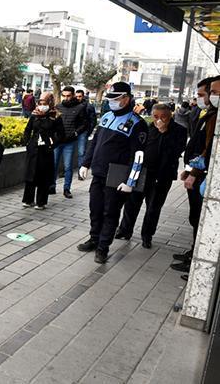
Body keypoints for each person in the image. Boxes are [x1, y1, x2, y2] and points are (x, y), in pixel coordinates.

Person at [78, 82, 148, 264]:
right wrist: (85, 163)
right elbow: (95, 142)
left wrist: (130, 182)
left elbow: (139, 156)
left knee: (110, 212)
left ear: (127, 98)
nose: (112, 102)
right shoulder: (107, 116)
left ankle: (103, 247)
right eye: (110, 99)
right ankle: (94, 238)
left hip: (117, 175)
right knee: (96, 209)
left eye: (116, 99)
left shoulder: (137, 124)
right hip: (99, 172)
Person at [114, 103, 186, 248]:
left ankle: (147, 235)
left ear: (170, 115)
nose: (159, 120)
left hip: (162, 176)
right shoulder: (147, 128)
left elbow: (177, 151)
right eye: (155, 116)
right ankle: (125, 230)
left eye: (163, 117)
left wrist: (165, 133)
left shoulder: (179, 130)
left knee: (153, 207)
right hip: (142, 172)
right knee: (131, 203)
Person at [171, 76, 219, 275]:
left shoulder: (214, 117)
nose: (199, 98)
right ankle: (193, 253)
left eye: (204, 94)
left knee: (199, 216)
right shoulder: (206, 113)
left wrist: (194, 172)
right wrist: (189, 169)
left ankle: (196, 260)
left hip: (202, 175)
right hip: (196, 171)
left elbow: (208, 150)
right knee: (194, 216)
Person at [22, 92, 64, 209]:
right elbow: (28, 130)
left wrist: (52, 144)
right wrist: (27, 143)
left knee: (44, 176)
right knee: (30, 174)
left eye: (44, 103)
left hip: (46, 150)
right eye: (40, 103)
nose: (42, 106)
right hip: (33, 149)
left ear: (50, 103)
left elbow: (61, 134)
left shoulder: (55, 116)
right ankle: (28, 199)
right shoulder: (34, 115)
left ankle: (41, 202)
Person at [51, 86, 88, 198]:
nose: (66, 98)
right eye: (64, 96)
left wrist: (76, 133)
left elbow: (84, 123)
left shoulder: (80, 107)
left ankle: (67, 189)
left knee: (68, 167)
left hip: (69, 142)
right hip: (57, 141)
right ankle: (52, 186)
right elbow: (52, 123)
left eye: (68, 96)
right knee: (54, 165)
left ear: (72, 95)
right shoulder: (58, 107)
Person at [77, 89, 97, 175]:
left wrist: (89, 131)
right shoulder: (72, 105)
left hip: (83, 132)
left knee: (81, 152)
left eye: (79, 96)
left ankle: (80, 171)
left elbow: (93, 120)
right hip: (72, 131)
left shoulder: (89, 106)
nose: (78, 98)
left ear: (83, 96)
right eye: (76, 96)